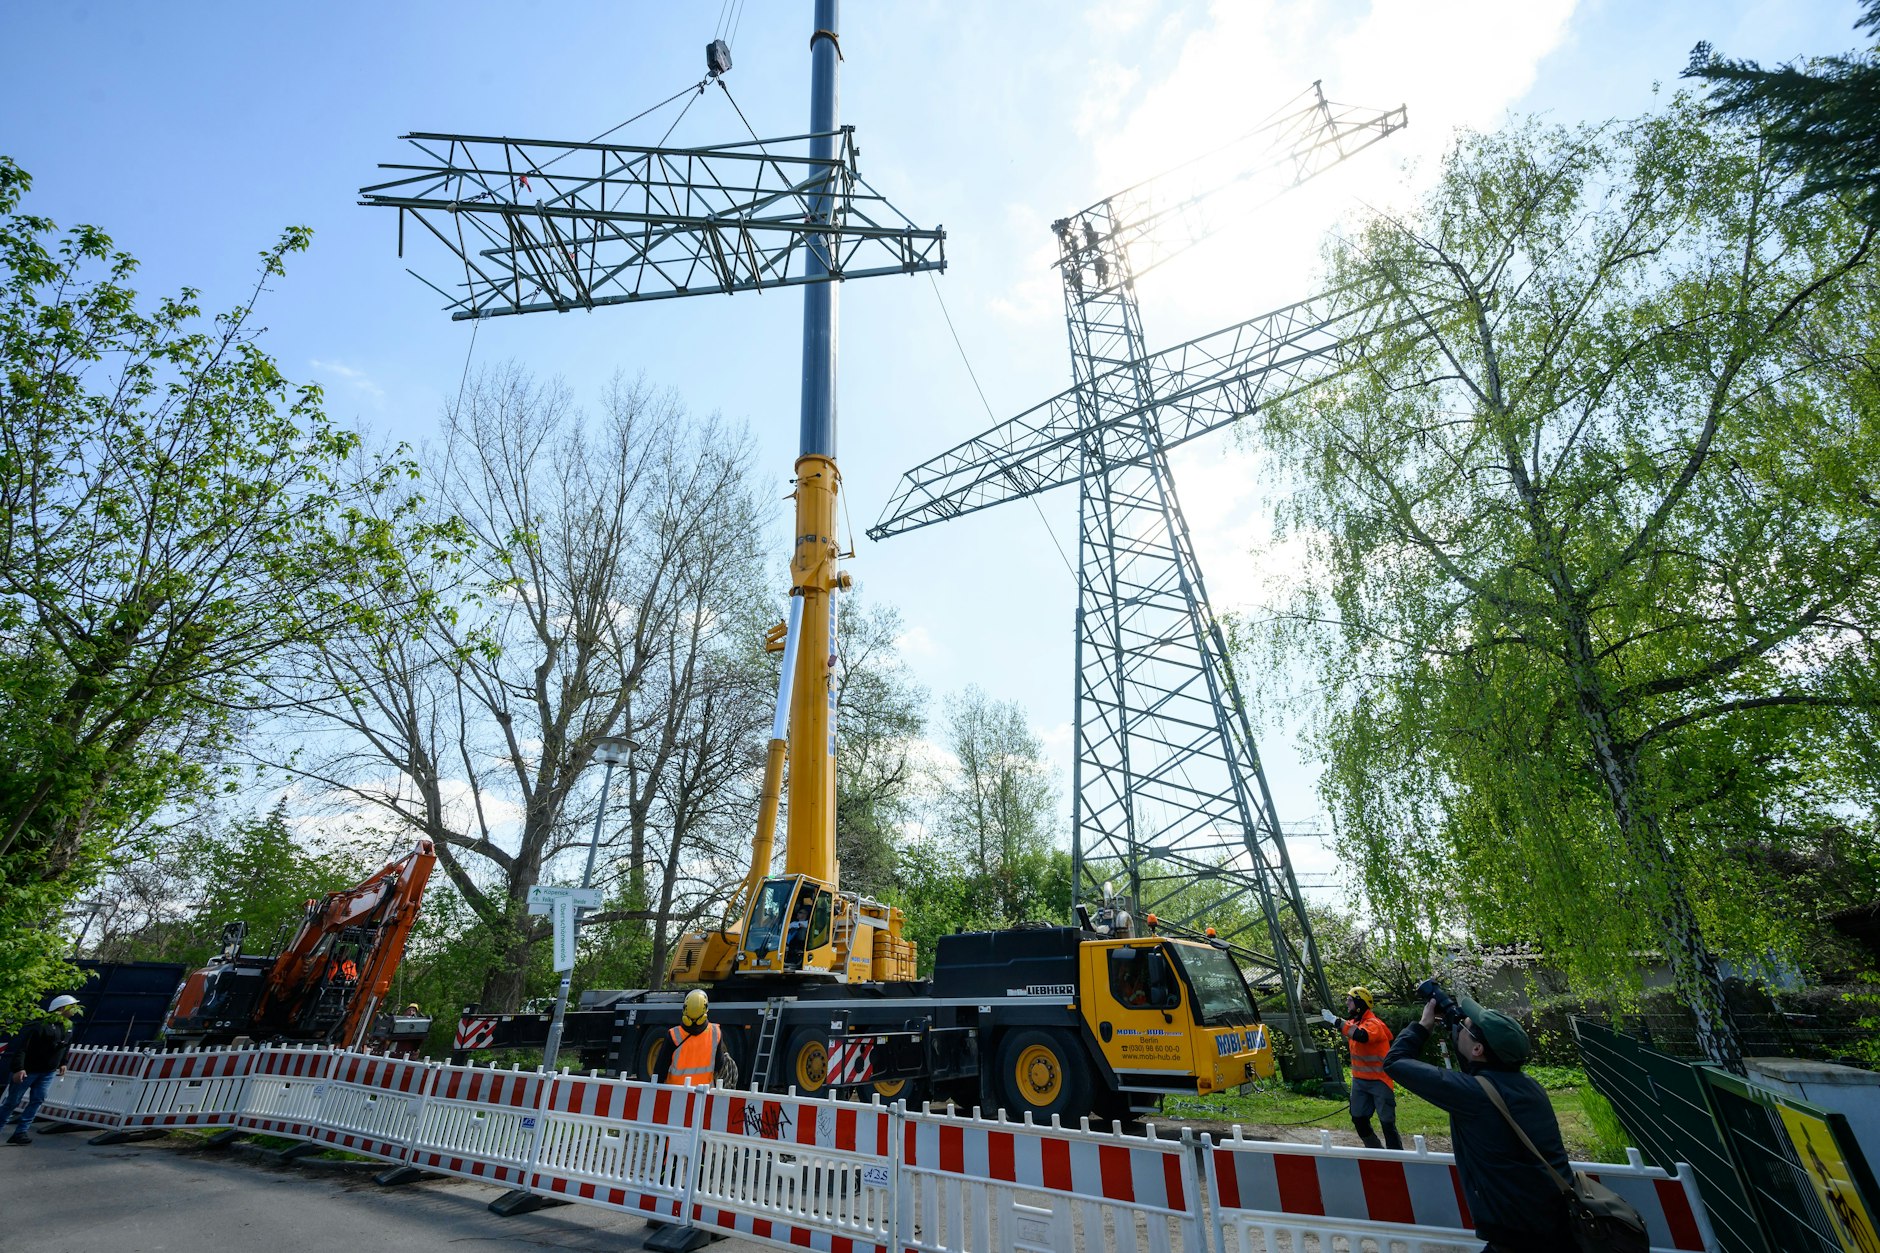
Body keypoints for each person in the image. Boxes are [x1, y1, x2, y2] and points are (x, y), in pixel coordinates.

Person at [1384, 991, 1573, 1253]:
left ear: (1478, 1049)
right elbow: (1477, 1069)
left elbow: (1395, 1062)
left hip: (1518, 1238)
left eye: (1466, 1026)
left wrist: (1423, 1025)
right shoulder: (1530, 1087)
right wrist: (1458, 1028)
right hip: (1554, 1224)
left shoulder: (1474, 1096)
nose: (1461, 1023)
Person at [1322, 986, 1402, 1150]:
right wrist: (1338, 1022)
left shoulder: (1374, 1024)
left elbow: (1361, 1035)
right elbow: (1352, 1029)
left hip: (1380, 1081)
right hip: (1360, 1081)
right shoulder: (1353, 1023)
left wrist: (1337, 1021)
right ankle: (1375, 1151)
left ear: (1360, 1003)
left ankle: (1397, 1157)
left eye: (1350, 1000)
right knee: (1358, 1118)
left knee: (1387, 1122)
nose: (1347, 1003)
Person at [2, 995, 82, 1146]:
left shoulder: (68, 1025)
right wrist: (19, 1068)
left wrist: (63, 1062)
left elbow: (66, 1045)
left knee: (37, 1100)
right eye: (73, 1006)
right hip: (29, 1070)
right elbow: (23, 1048)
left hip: (48, 1071)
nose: (75, 1010)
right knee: (12, 1102)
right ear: (62, 1008)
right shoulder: (41, 1025)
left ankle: (21, 1132)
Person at [650, 990, 734, 1087]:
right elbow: (719, 1065)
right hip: (703, 1094)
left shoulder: (673, 1035)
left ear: (684, 1009)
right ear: (706, 1009)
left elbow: (660, 1070)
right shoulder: (716, 1032)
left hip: (675, 1094)